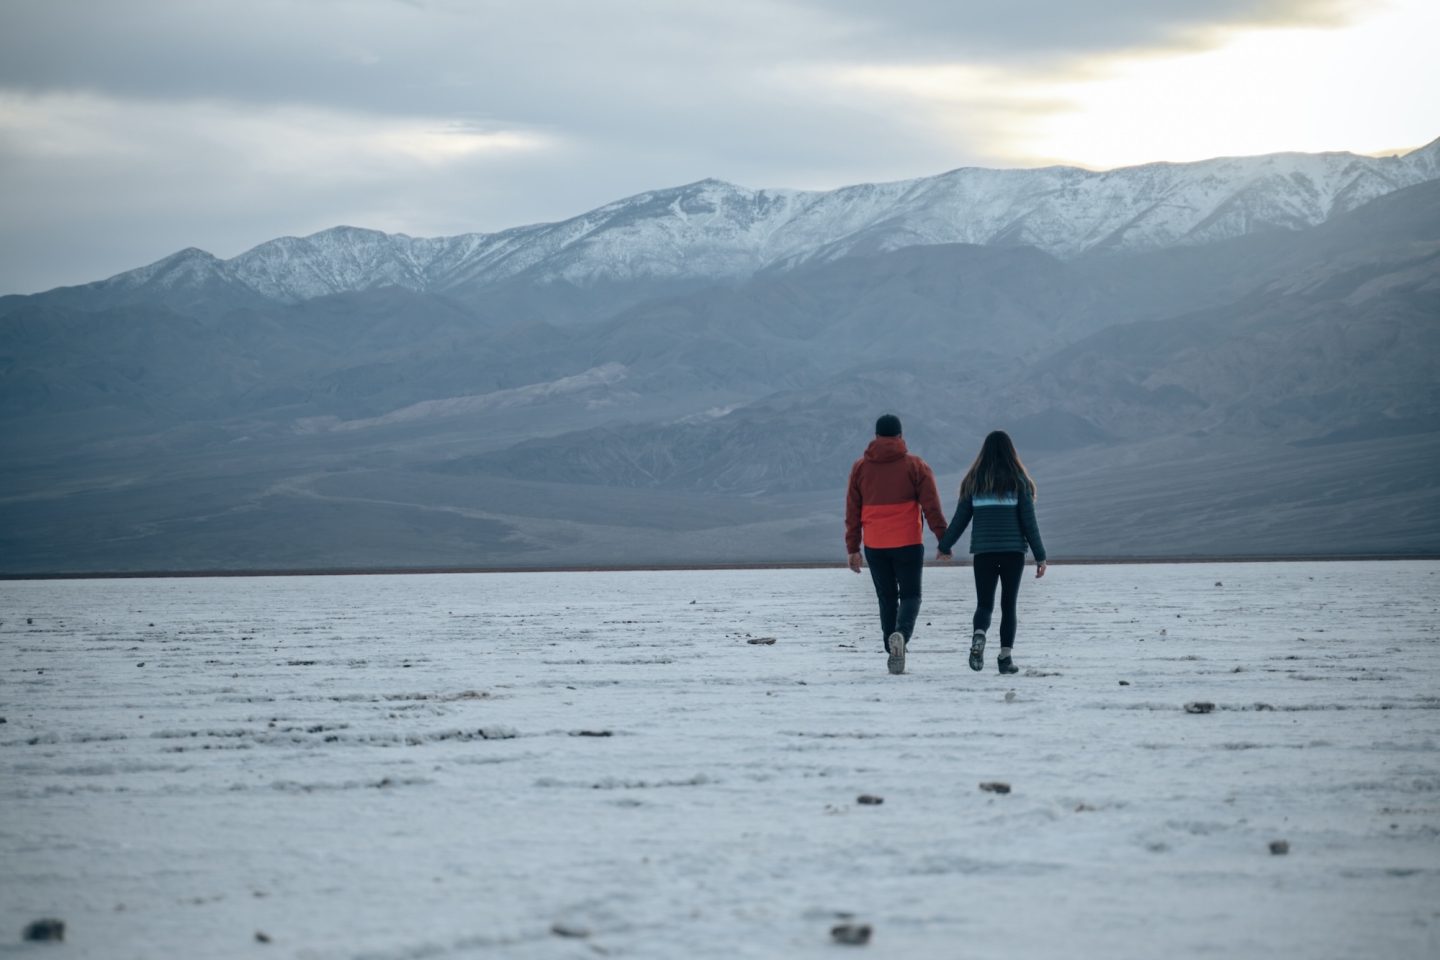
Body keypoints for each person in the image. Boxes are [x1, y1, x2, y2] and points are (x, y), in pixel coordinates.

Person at [935, 430, 1048, 675]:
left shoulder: (973, 482)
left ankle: (978, 635)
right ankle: (1005, 658)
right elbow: (1029, 522)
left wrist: (944, 546)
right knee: (1009, 605)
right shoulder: (1019, 481)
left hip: (984, 552)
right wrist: (1040, 555)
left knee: (984, 604)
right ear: (1011, 452)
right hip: (1013, 552)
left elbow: (960, 520)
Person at [845, 414, 948, 675]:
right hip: (908, 543)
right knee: (911, 595)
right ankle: (901, 635)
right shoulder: (916, 466)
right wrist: (943, 540)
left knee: (887, 597)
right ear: (900, 436)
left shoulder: (860, 467)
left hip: (875, 545)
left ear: (876, 436)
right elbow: (931, 506)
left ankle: (891, 649)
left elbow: (852, 511)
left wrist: (852, 548)